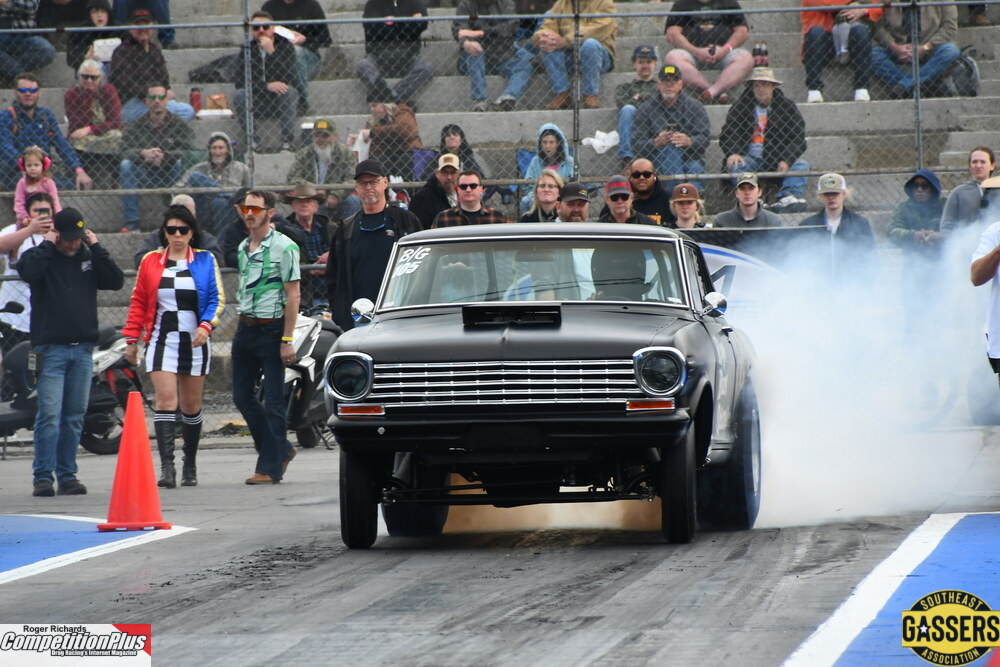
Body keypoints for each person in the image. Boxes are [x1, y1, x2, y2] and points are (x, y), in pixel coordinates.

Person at [17, 207, 124, 497]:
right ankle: (43, 476)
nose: (74, 243)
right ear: (57, 234)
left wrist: (96, 246)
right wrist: (48, 244)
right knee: (49, 415)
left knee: (75, 415)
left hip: (82, 350)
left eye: (78, 237)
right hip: (52, 350)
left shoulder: (88, 258)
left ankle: (67, 476)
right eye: (68, 237)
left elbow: (115, 280)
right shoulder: (41, 256)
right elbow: (28, 272)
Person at [124, 206, 224, 488]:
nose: (177, 235)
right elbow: (138, 302)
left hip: (195, 340)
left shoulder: (205, 260)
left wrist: (206, 325)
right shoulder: (150, 261)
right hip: (161, 339)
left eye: (183, 230)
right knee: (166, 400)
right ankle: (166, 467)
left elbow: (217, 299)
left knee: (191, 405)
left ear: (192, 233)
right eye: (172, 230)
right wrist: (131, 340)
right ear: (164, 233)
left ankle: (189, 463)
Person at [232, 190, 301, 485]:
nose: (249, 213)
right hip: (245, 327)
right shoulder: (243, 247)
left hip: (272, 329)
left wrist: (287, 339)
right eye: (246, 208)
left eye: (256, 209)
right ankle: (280, 449)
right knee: (241, 396)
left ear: (270, 212)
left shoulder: (285, 247)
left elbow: (293, 294)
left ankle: (269, 468)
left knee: (273, 400)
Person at [324, 159, 421, 330]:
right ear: (356, 187)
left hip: (400, 314)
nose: (368, 187)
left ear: (385, 183)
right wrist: (340, 312)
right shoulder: (346, 228)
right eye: (363, 183)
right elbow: (333, 276)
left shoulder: (405, 221)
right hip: (358, 318)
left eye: (373, 181)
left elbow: (424, 264)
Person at [719, 67, 809, 213]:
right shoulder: (740, 106)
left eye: (765, 85)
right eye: (757, 85)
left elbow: (798, 138)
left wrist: (787, 160)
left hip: (777, 159)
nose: (761, 89)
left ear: (773, 86)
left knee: (801, 165)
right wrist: (733, 152)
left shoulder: (787, 107)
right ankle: (754, 200)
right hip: (749, 159)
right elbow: (729, 133)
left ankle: (787, 198)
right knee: (735, 166)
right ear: (752, 88)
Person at [120, 83, 195, 231]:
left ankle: (178, 216)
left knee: (180, 163)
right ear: (146, 101)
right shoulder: (136, 125)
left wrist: (164, 156)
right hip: (144, 173)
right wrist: (143, 153)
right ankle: (132, 223)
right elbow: (123, 150)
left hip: (170, 172)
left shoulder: (179, 124)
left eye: (161, 97)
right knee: (125, 165)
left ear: (167, 100)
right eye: (152, 97)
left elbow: (188, 150)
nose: (157, 101)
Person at [0, 74, 94, 191]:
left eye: (33, 90)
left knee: (76, 185)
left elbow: (61, 143)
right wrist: (26, 163)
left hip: (42, 172)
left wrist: (79, 170)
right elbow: (5, 146)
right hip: (15, 171)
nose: (28, 94)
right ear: (15, 92)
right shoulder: (6, 116)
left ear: (39, 93)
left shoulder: (46, 116)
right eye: (23, 90)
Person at [633, 65, 710, 191]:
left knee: (694, 167)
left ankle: (689, 199)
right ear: (659, 85)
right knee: (670, 150)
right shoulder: (645, 109)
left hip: (690, 156)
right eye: (665, 81)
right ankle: (678, 194)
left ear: (681, 84)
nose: (669, 85)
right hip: (657, 159)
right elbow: (637, 144)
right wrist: (656, 142)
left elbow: (704, 138)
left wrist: (689, 141)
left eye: (673, 81)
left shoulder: (695, 106)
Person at [887, 169, 944, 339]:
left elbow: (957, 230)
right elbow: (892, 232)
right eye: (916, 186)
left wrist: (940, 236)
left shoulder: (945, 206)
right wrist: (912, 235)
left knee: (941, 315)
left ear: (933, 188)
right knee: (914, 315)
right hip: (913, 269)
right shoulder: (903, 208)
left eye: (924, 186)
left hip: (941, 269)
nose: (919, 190)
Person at [109, 7, 193, 123]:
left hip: (156, 100)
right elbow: (126, 85)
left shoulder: (155, 50)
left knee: (187, 111)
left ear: (153, 27)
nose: (143, 29)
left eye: (146, 24)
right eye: (138, 25)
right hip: (132, 103)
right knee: (168, 110)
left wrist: (166, 91)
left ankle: (157, 129)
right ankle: (155, 126)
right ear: (130, 28)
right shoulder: (122, 51)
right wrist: (152, 95)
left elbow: (164, 79)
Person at [233, 11, 301, 154]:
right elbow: (239, 81)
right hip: (256, 101)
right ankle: (253, 142)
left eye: (265, 27)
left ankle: (287, 142)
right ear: (251, 30)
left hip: (280, 101)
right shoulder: (247, 49)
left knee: (289, 92)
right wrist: (266, 86)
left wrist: (272, 52)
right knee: (240, 94)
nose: (261, 30)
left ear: (273, 28)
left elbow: (291, 77)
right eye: (256, 28)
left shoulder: (285, 46)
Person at [663, 0, 754, 104]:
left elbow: (742, 32)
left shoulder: (729, 2)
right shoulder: (682, 3)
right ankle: (712, 90)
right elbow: (672, 34)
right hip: (691, 53)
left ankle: (711, 93)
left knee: (746, 58)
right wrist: (696, 51)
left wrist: (724, 50)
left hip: (724, 52)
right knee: (672, 58)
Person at [531, 0, 616, 110]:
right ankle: (562, 94)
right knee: (548, 44)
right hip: (571, 56)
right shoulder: (561, 3)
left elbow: (598, 30)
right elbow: (548, 26)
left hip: (599, 58)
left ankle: (590, 95)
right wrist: (540, 38)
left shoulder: (604, 2)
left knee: (590, 44)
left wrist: (567, 40)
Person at [454, 0, 533, 112]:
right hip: (471, 60)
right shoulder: (466, 4)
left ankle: (508, 97)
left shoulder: (507, 3)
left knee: (524, 66)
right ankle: (480, 101)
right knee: (475, 50)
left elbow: (511, 26)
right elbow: (460, 29)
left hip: (501, 57)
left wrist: (481, 33)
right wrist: (466, 43)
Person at [0, 192, 55, 348]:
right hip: (14, 315)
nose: (41, 215)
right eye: (36, 211)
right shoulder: (15, 230)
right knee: (14, 357)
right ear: (28, 213)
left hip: (46, 315)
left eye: (46, 210)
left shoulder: (57, 233)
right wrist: (29, 230)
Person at [870, 3, 959, 97]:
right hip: (898, 47)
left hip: (930, 47)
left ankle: (904, 86)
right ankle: (922, 86)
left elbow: (950, 26)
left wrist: (925, 47)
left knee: (950, 51)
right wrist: (896, 48)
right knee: (872, 54)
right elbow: (878, 27)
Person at [799, 172, 878, 280]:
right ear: (820, 196)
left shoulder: (860, 223)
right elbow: (801, 258)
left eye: (835, 193)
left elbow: (870, 257)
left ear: (844, 194)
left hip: (852, 282)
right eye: (827, 194)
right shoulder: (808, 225)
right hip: (819, 282)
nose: (831, 198)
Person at [357, 0, 434, 108]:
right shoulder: (373, 4)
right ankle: (396, 100)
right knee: (363, 65)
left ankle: (389, 98)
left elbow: (422, 25)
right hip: (378, 57)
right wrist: (408, 22)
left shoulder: (415, 2)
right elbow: (374, 30)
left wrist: (390, 23)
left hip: (408, 57)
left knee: (427, 68)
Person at [261, 0, 333, 115]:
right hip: (277, 60)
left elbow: (326, 40)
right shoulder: (269, 7)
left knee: (296, 52)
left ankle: (302, 102)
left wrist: (305, 40)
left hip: (307, 60)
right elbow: (259, 33)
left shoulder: (311, 5)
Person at [801, 0, 878, 103]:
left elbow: (878, 8)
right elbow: (829, 4)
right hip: (824, 46)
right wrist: (855, 4)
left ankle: (862, 88)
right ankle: (814, 89)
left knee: (860, 30)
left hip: (850, 44)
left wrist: (864, 10)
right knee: (815, 32)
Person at [64, 60, 123, 188]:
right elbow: (76, 124)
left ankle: (115, 180)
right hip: (82, 137)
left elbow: (115, 122)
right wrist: (88, 97)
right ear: (79, 77)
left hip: (103, 133)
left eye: (93, 77)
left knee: (116, 136)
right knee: (78, 141)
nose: (89, 81)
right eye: (85, 77)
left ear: (100, 78)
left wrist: (90, 129)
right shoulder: (71, 94)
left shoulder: (108, 90)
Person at [178, 132, 252, 234]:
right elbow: (179, 187)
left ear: (228, 150)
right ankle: (228, 195)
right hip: (204, 208)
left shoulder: (241, 168)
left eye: (221, 148)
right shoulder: (199, 168)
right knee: (195, 177)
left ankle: (221, 241)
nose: (217, 152)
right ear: (210, 151)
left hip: (231, 209)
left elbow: (249, 192)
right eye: (214, 148)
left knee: (220, 202)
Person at [287, 119, 358, 219]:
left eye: (325, 136)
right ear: (312, 137)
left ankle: (349, 229)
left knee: (354, 201)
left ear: (335, 135)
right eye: (317, 136)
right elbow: (293, 178)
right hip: (312, 197)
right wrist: (314, 190)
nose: (320, 140)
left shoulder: (346, 154)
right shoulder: (303, 154)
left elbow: (352, 179)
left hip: (338, 198)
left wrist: (336, 195)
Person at [281, 182, 337, 306]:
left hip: (333, 288)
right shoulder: (284, 230)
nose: (304, 204)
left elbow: (344, 249)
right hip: (302, 293)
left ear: (316, 206)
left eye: (309, 201)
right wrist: (309, 270)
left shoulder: (329, 226)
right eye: (299, 201)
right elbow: (282, 264)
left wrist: (331, 254)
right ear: (293, 206)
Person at [220, 188, 306, 268]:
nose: (249, 213)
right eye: (244, 208)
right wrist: (257, 258)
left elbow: (301, 236)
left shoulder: (275, 220)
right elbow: (230, 258)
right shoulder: (233, 230)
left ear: (270, 212)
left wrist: (277, 227)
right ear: (236, 208)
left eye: (254, 208)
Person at [133, 194, 224, 268]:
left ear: (194, 216)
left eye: (186, 216)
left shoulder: (204, 238)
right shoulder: (155, 236)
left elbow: (217, 260)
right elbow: (140, 260)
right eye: (171, 230)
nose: (177, 234)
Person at [615, 45, 660, 170]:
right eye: (641, 62)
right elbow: (621, 102)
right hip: (634, 122)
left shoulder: (661, 87)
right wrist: (648, 101)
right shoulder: (625, 87)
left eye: (649, 62)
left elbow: (660, 105)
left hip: (655, 122)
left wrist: (638, 98)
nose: (645, 65)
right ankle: (627, 159)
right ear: (634, 64)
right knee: (628, 109)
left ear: (655, 64)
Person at [353, 101, 421, 182]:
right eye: (371, 107)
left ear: (386, 105)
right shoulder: (372, 121)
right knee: (377, 161)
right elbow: (373, 146)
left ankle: (407, 187)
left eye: (374, 106)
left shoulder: (403, 112)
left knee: (404, 159)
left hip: (406, 150)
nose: (372, 109)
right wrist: (363, 140)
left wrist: (374, 133)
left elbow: (403, 131)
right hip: (386, 154)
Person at [521, 123, 575, 213]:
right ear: (540, 144)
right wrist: (538, 195)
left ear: (558, 143)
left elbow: (572, 186)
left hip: (562, 197)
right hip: (539, 197)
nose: (548, 146)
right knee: (525, 201)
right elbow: (527, 186)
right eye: (544, 142)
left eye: (551, 142)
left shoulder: (568, 162)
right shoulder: (536, 161)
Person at [942, 147, 996, 234]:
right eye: (974, 162)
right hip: (966, 241)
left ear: (992, 166)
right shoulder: (959, 193)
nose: (978, 166)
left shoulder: (998, 191)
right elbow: (947, 226)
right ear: (969, 166)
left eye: (983, 162)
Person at [0, 0, 56, 85]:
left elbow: (31, 7)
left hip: (25, 37)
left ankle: (8, 73)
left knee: (48, 51)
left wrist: (7, 2)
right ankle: (21, 77)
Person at [432, 170, 509, 227]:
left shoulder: (498, 218)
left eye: (473, 186)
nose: (468, 190)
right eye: (463, 186)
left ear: (481, 189)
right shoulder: (443, 218)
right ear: (458, 190)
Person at [713, 172, 784, 228]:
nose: (747, 192)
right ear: (737, 193)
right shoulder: (721, 221)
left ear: (759, 192)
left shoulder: (774, 221)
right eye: (742, 188)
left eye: (751, 188)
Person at [66, 0, 119, 73]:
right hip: (88, 71)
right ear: (89, 14)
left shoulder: (119, 29)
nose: (99, 15)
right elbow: (70, 59)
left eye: (103, 11)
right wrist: (84, 58)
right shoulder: (80, 31)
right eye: (95, 12)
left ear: (109, 13)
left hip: (115, 69)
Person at [424, 123, 489, 181]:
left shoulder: (468, 158)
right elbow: (426, 178)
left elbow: (480, 177)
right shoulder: (437, 159)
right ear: (444, 141)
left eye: (455, 135)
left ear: (461, 140)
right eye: (448, 135)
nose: (452, 137)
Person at [410, 153, 459, 229]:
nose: (449, 177)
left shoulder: (464, 192)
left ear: (458, 174)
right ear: (437, 174)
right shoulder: (424, 197)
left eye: (453, 173)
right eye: (445, 173)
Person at [13, 146, 60, 223]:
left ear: (43, 165)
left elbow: (55, 201)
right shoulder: (22, 183)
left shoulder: (48, 182)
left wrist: (57, 216)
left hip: (46, 214)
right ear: (24, 166)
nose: (32, 168)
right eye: (29, 165)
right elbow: (19, 202)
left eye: (36, 165)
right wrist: (24, 217)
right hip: (29, 216)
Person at [627, 158, 675, 226]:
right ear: (631, 178)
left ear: (654, 176)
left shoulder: (669, 201)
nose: (641, 178)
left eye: (647, 174)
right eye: (636, 175)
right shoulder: (624, 201)